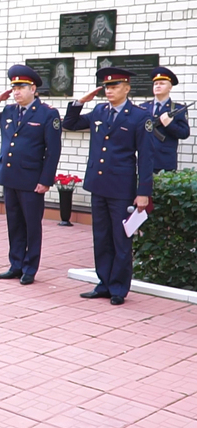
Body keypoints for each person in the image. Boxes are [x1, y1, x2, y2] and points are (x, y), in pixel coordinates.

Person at [63, 67, 154, 305]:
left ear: (127, 88)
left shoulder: (139, 116)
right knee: (101, 237)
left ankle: (118, 288)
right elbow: (71, 123)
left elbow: (145, 157)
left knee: (121, 239)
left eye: (114, 86)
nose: (109, 90)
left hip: (122, 187)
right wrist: (80, 102)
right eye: (107, 87)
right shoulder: (99, 110)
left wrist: (143, 192)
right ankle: (103, 283)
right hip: (98, 184)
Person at [0, 65, 62, 285]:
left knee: (31, 225)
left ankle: (29, 268)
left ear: (33, 88)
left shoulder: (48, 113)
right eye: (13, 88)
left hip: (31, 180)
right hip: (10, 176)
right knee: (14, 223)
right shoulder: (8, 111)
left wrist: (46, 180)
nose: (16, 92)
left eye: (21, 88)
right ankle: (15, 264)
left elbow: (53, 151)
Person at [139, 67, 190, 172]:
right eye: (155, 84)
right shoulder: (143, 107)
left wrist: (169, 124)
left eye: (162, 83)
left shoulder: (177, 109)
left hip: (165, 162)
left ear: (170, 87)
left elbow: (184, 133)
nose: (158, 86)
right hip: (145, 160)